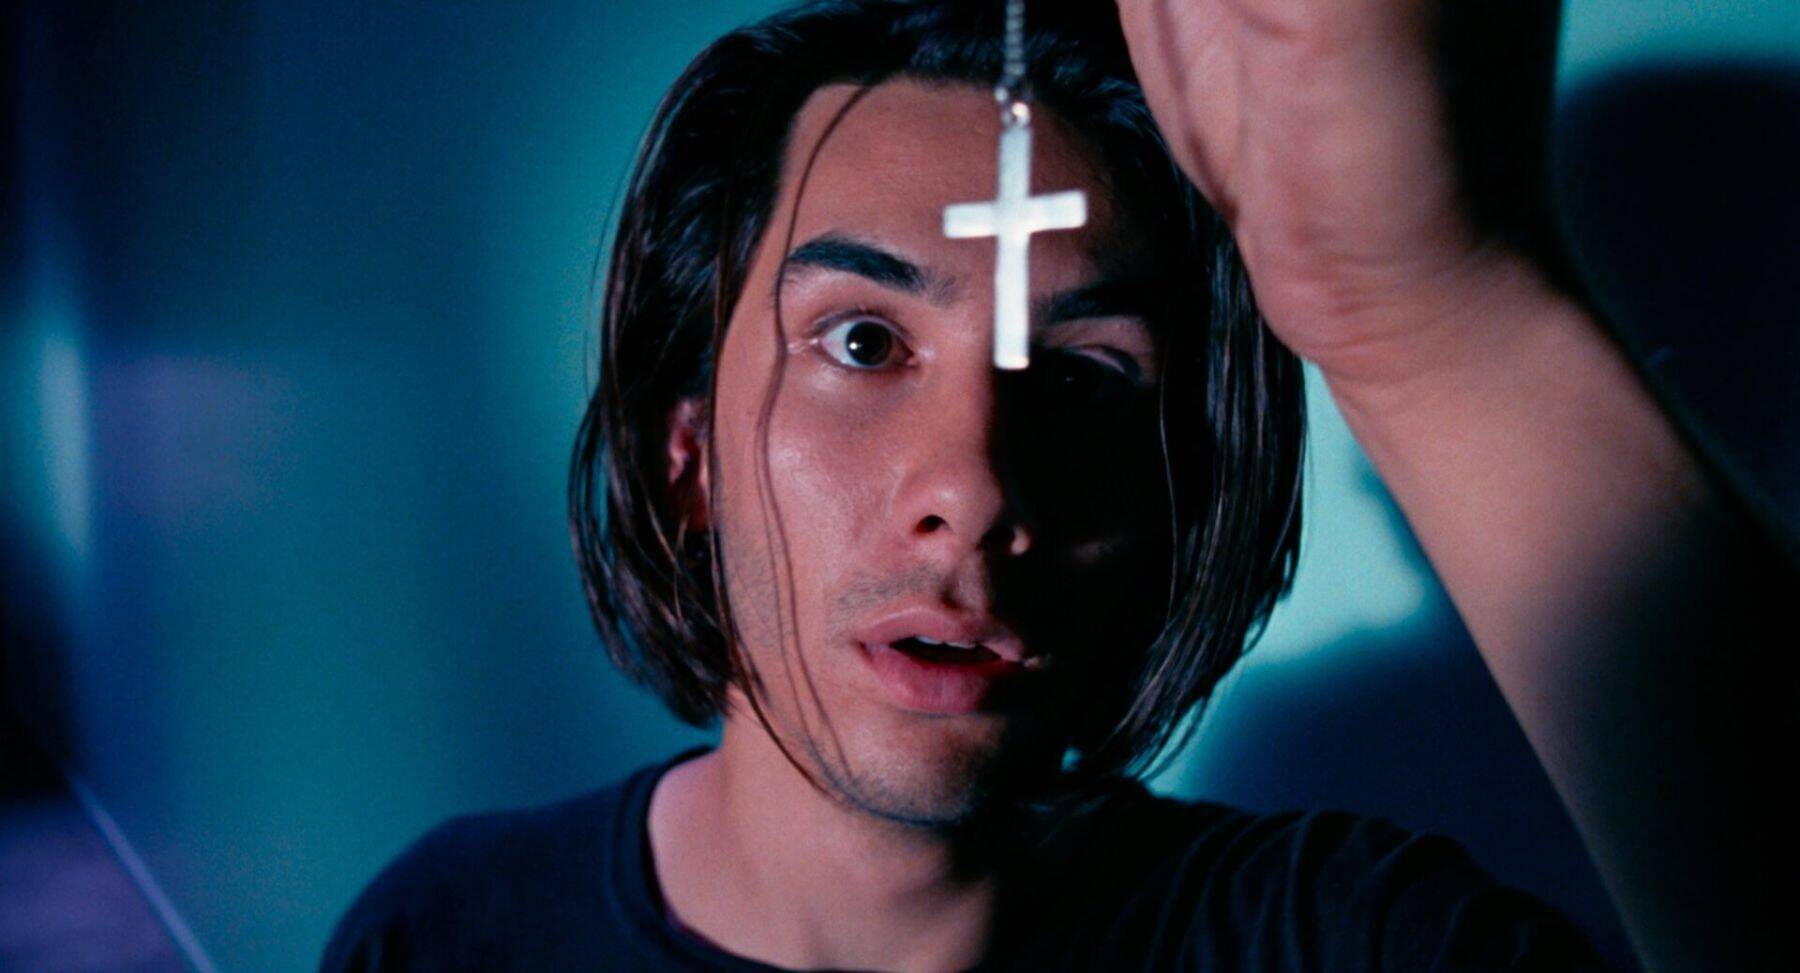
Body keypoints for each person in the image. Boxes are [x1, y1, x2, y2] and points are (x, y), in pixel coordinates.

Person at [322, 1, 1794, 970]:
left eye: (1085, 377)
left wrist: (1425, 300)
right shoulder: (447, 936)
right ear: (687, 455)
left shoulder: (1335, 940)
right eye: (862, 341)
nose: (971, 486)